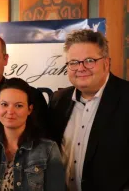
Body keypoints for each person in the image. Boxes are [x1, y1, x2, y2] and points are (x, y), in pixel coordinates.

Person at [48, 29, 129, 190]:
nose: (81, 68)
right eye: (74, 62)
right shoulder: (58, 101)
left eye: (89, 60)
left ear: (106, 63)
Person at [0, 78, 65, 191]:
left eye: (18, 105)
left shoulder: (48, 150)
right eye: (4, 104)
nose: (10, 111)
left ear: (29, 109)